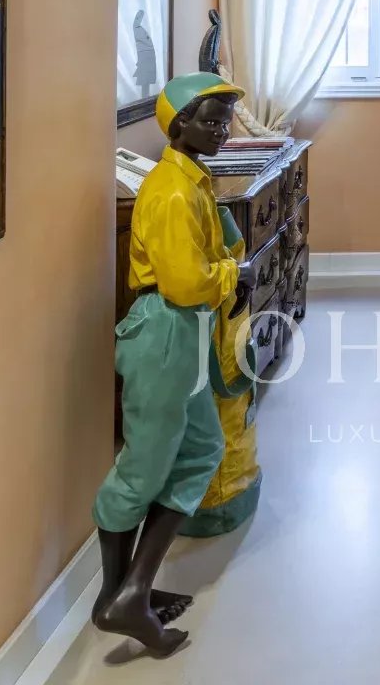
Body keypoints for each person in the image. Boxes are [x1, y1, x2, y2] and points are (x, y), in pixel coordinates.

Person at [91, 73, 250, 656]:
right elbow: (186, 284)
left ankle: (132, 590)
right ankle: (120, 597)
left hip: (184, 331)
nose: (222, 131)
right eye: (210, 122)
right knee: (142, 468)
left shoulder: (192, 180)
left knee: (202, 448)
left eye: (224, 122)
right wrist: (234, 272)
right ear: (178, 124)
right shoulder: (173, 191)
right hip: (165, 329)